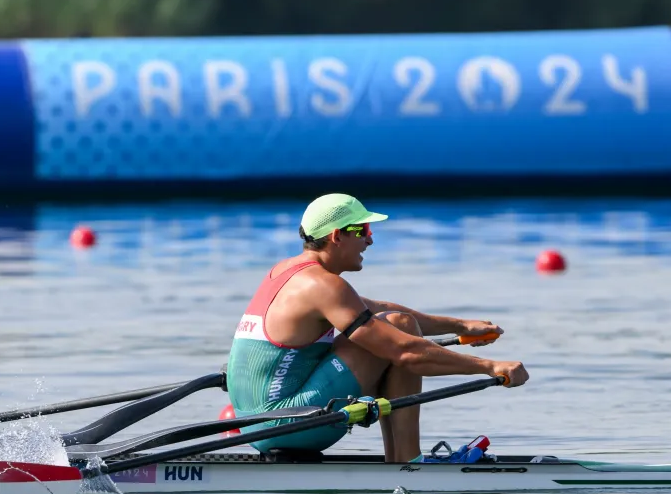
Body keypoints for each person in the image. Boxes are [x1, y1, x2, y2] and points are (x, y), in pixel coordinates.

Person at [225, 193, 529, 463]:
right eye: (364, 231)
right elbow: (408, 353)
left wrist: (461, 325)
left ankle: (402, 459)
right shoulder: (324, 286)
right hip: (291, 426)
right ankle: (407, 461)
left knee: (397, 324)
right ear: (336, 236)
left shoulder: (287, 272)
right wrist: (490, 366)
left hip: (260, 426)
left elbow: (381, 309)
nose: (370, 240)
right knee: (400, 334)